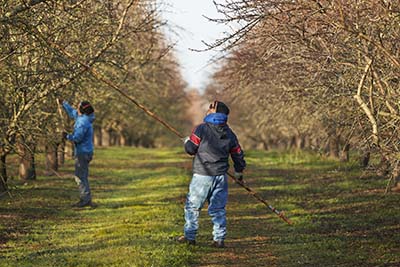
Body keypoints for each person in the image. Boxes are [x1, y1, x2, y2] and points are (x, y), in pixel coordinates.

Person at [177, 100, 246, 248]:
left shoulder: (201, 129)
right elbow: (237, 154)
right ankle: (219, 239)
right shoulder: (229, 133)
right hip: (220, 177)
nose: (208, 110)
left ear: (215, 112)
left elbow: (191, 149)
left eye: (210, 108)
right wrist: (239, 172)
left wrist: (187, 141)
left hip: (202, 175)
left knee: (193, 207)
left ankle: (190, 237)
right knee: (218, 208)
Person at [59, 99, 95, 208]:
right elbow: (72, 113)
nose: (76, 108)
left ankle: (85, 200)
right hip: (86, 151)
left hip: (82, 152)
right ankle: (86, 199)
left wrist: (67, 136)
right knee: (82, 175)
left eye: (78, 106)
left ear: (81, 110)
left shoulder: (82, 122)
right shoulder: (84, 118)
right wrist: (64, 103)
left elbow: (77, 138)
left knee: (80, 177)